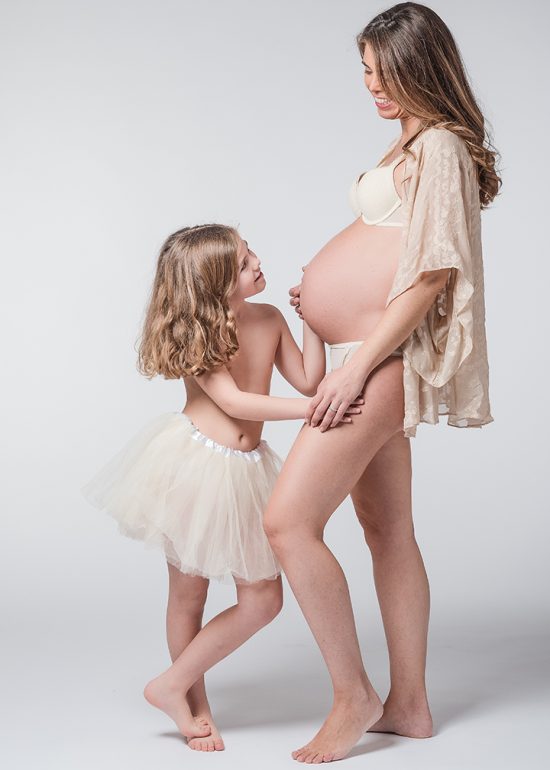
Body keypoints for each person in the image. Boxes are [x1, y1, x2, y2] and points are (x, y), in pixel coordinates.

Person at [264, 2, 500, 763]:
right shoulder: (411, 141)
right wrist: (321, 298)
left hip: (380, 361)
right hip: (364, 351)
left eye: (385, 72)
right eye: (365, 71)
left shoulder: (442, 148)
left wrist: (357, 365)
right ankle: (411, 707)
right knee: (388, 532)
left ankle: (353, 697)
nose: (372, 86)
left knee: (287, 523)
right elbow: (388, 248)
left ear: (421, 67)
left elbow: (431, 275)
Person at [82, 223, 363, 752]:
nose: (257, 262)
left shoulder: (270, 317)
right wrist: (313, 411)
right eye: (242, 262)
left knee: (263, 600)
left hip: (247, 471)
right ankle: (194, 705)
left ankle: (170, 684)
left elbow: (308, 379)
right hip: (196, 467)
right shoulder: (201, 332)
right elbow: (235, 402)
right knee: (189, 595)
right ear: (215, 283)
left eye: (250, 251)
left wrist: (311, 321)